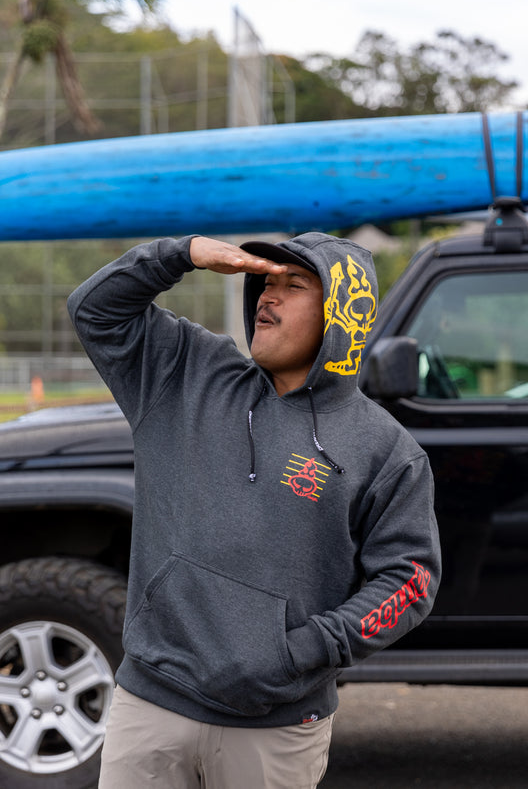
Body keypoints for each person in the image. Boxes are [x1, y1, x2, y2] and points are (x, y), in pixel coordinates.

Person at [68, 232, 441, 789]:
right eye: (265, 283)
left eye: (293, 285)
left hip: (277, 726)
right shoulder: (185, 375)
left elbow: (410, 580)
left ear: (342, 313)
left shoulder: (386, 450)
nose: (267, 297)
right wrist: (183, 253)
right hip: (150, 706)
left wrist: (303, 650)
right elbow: (94, 310)